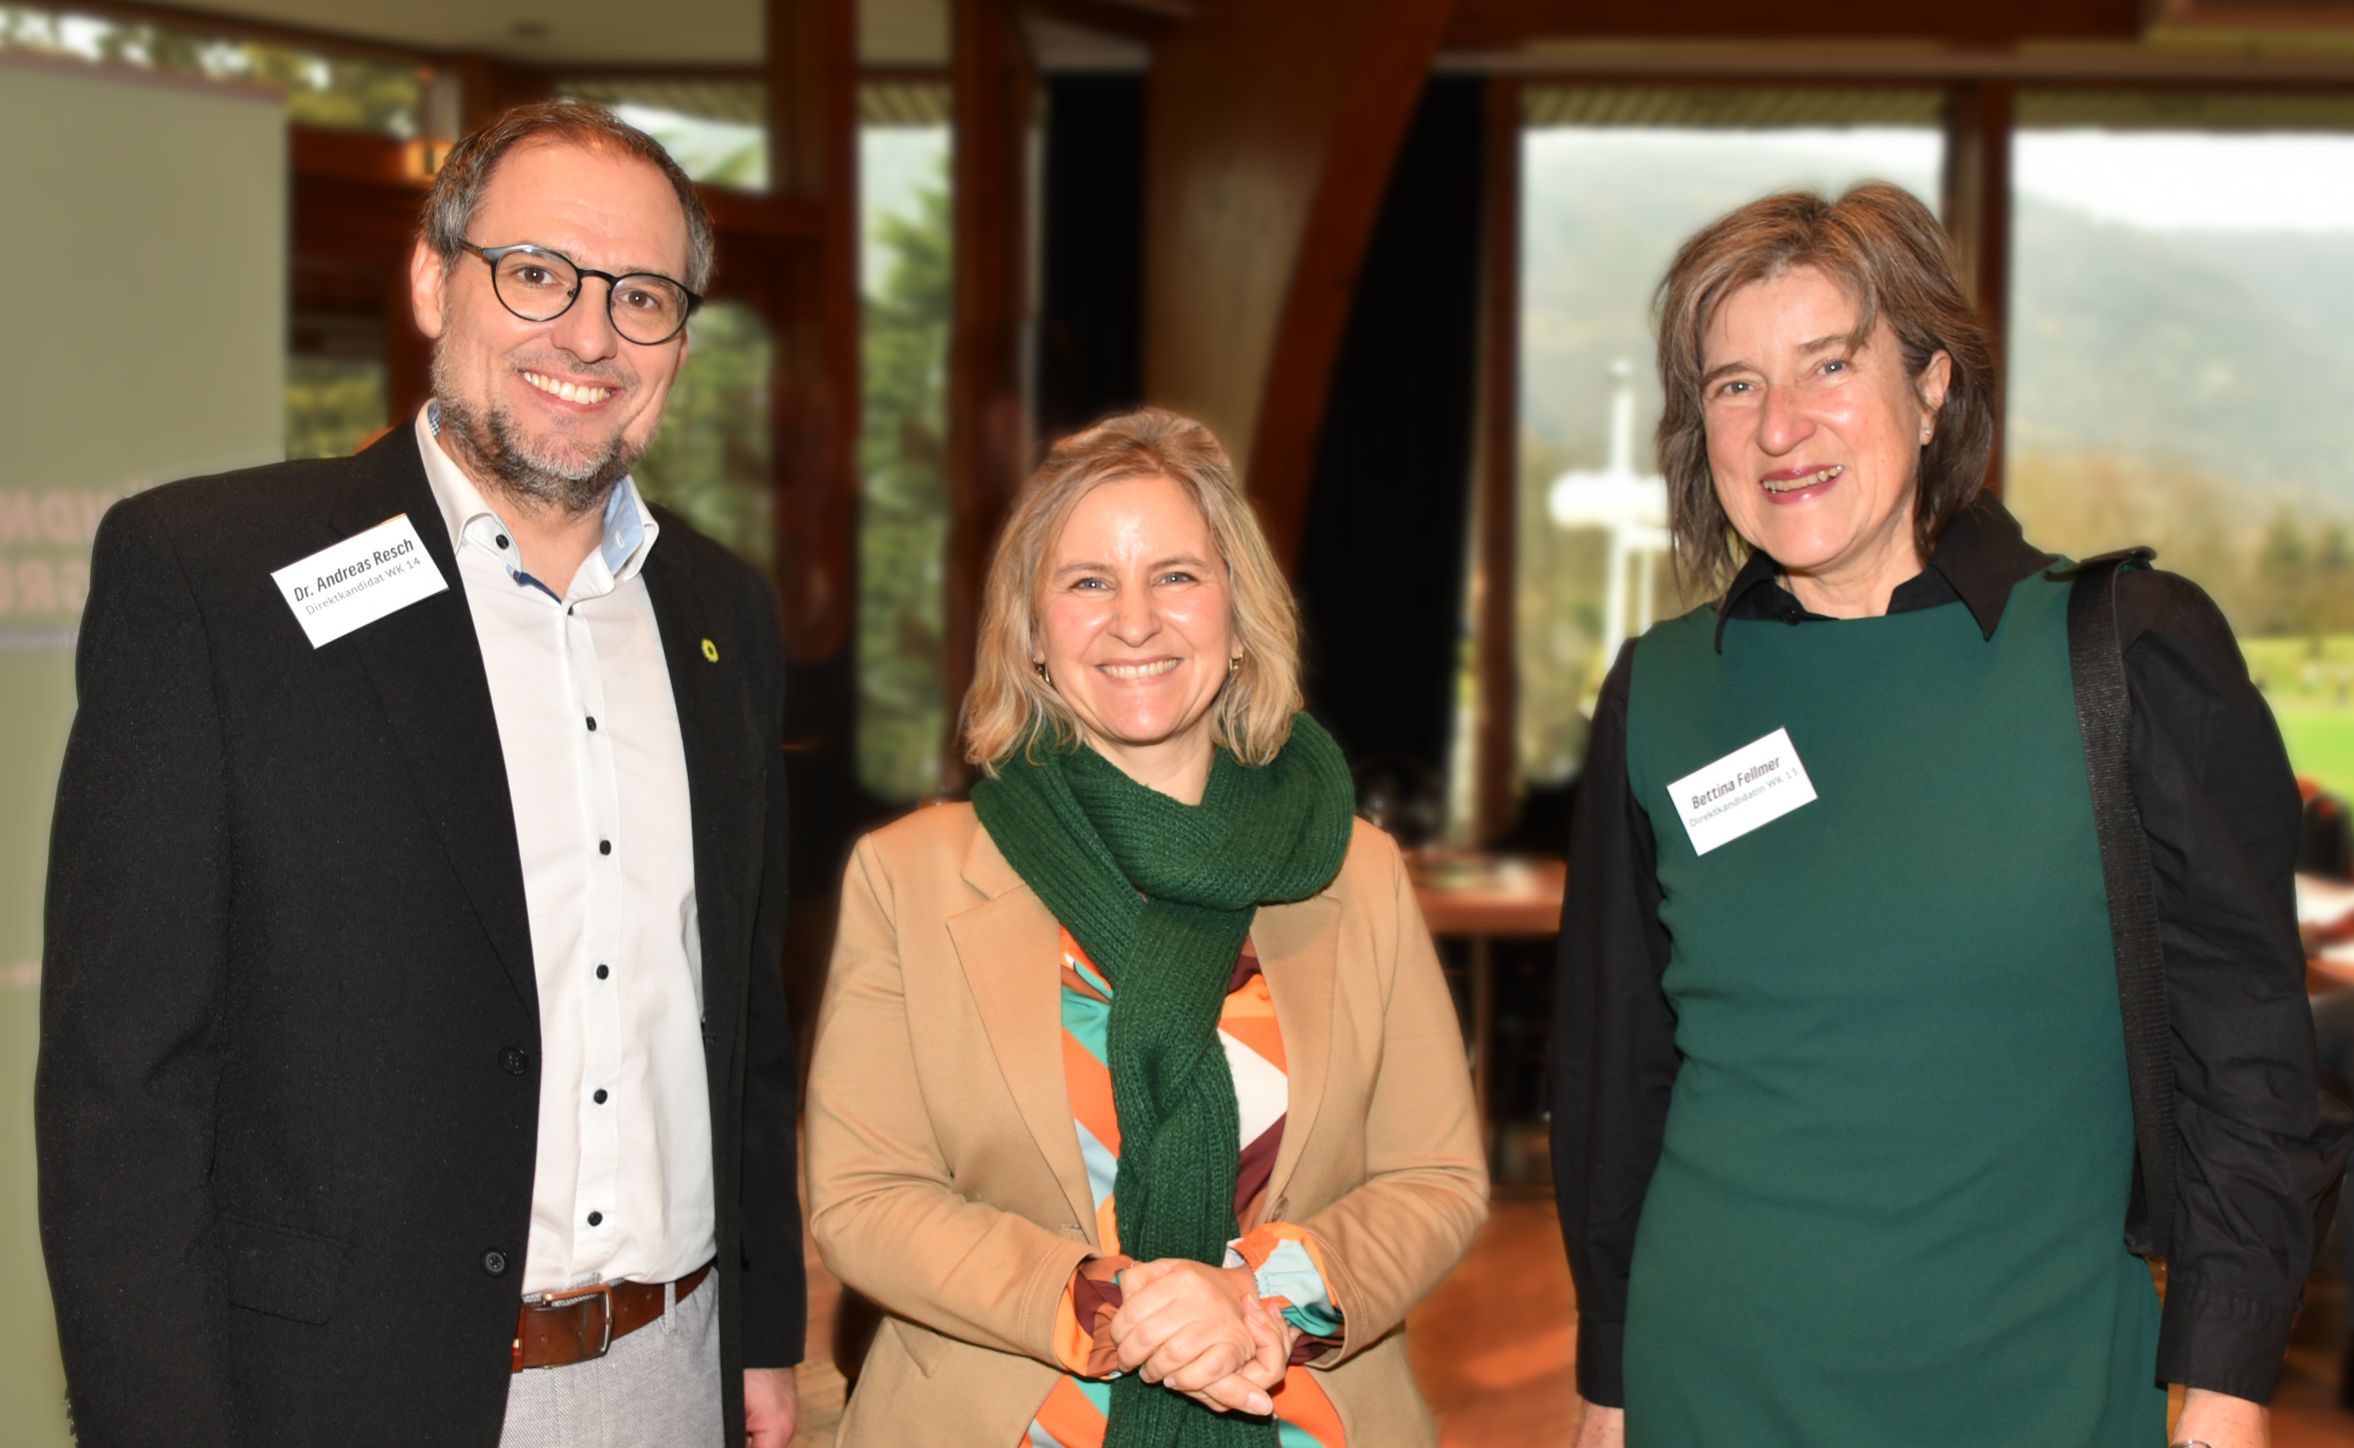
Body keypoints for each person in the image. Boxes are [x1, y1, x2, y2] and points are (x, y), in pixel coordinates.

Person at [37, 101, 804, 1448]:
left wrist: (763, 1329)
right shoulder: (218, 582)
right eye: (537, 273)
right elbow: (124, 1093)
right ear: (431, 277)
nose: (586, 335)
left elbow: (735, 1014)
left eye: (641, 297)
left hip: (676, 1373)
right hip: (353, 1392)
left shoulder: (721, 612)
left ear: (680, 340)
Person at [1552, 183, 2348, 1448]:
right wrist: (1608, 1372)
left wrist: (2229, 1379)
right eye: (1732, 384)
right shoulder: (1661, 690)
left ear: (1929, 387)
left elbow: (2245, 1054)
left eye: (1828, 363)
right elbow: (1615, 1068)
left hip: (2031, 1382)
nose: (1780, 426)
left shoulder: (2122, 654)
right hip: (1712, 1377)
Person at [805, 408, 1487, 1445]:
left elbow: (1433, 1176)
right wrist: (1113, 1307)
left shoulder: (1356, 871)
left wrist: (1260, 1298)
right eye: (1087, 581)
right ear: (1028, 631)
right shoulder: (911, 876)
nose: (1135, 620)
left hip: (1296, 1404)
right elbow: (864, 1194)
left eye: (1174, 575)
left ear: (1236, 608)